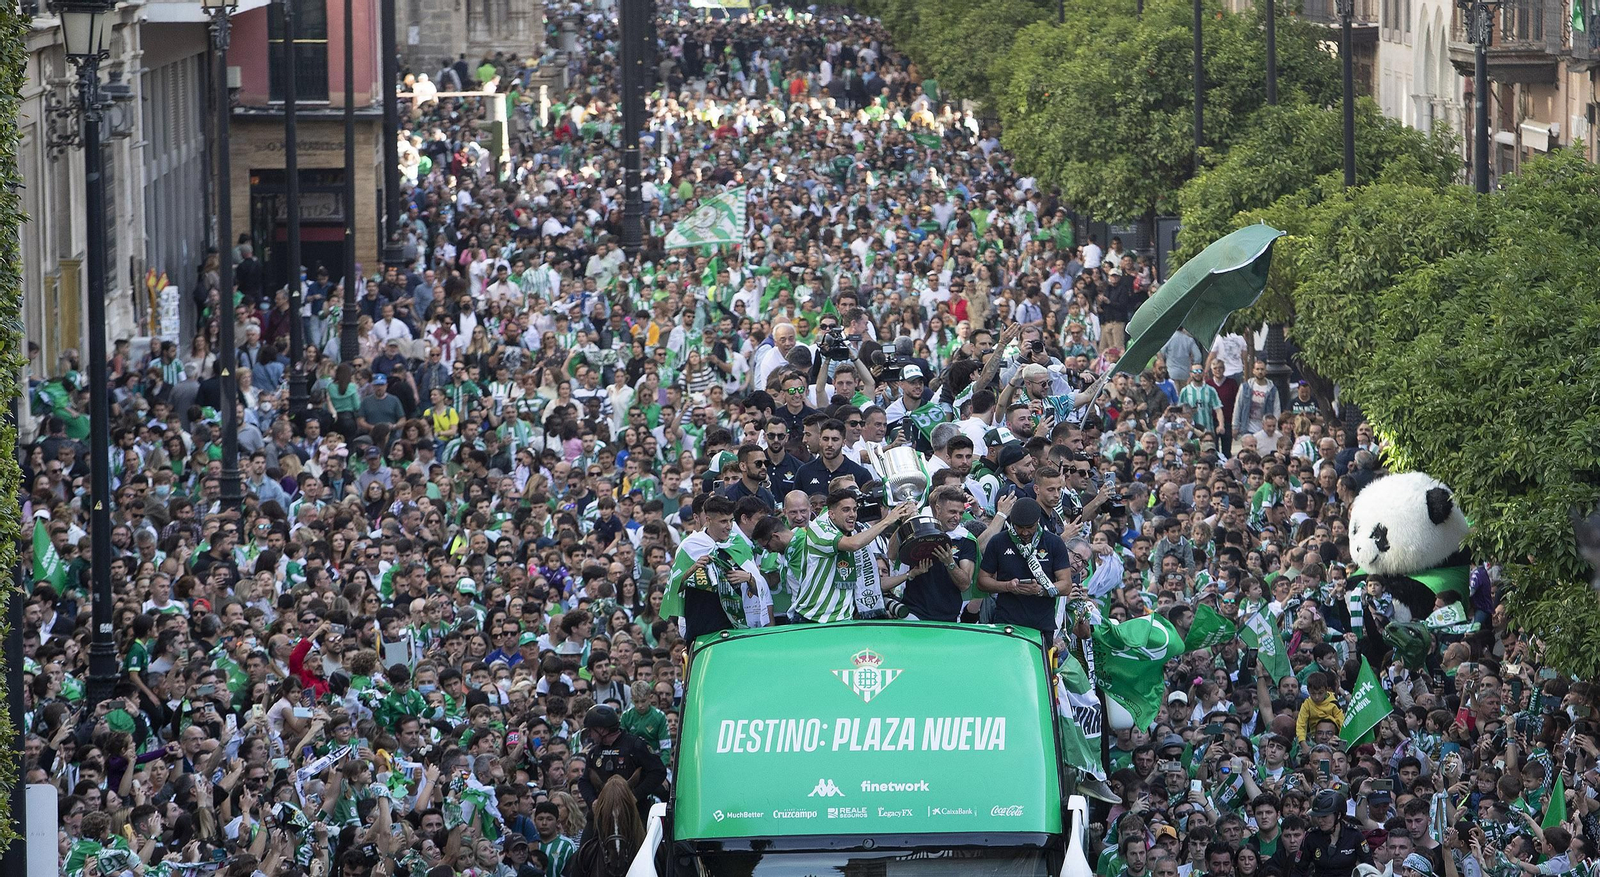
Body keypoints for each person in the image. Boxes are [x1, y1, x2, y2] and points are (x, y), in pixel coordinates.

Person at [577, 705, 667, 817]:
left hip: (635, 812)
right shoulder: (593, 752)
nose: (590, 735)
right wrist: (592, 801)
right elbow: (584, 781)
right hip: (603, 812)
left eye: (591, 730)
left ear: (601, 730)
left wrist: (635, 795)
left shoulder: (635, 746)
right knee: (589, 828)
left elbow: (658, 771)